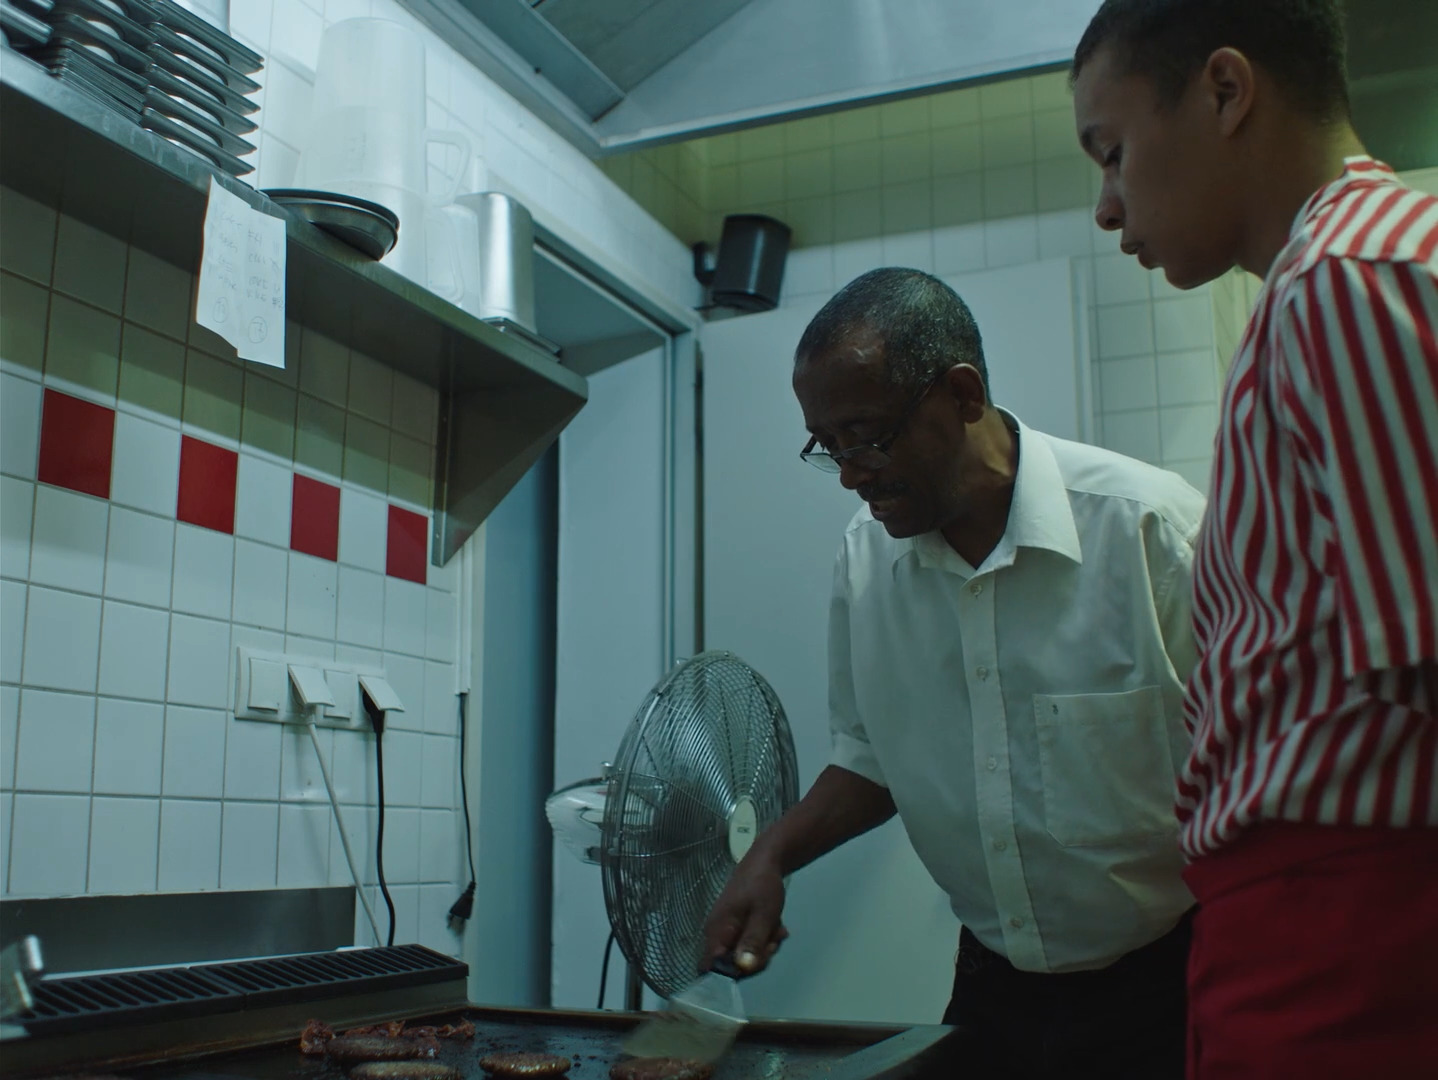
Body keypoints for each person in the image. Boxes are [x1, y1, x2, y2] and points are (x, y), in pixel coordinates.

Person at [701, 268, 1207, 1080]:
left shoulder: (1152, 532)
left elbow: (1263, 773)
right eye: (826, 447)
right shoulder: (865, 563)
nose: (850, 472)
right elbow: (871, 758)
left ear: (962, 395)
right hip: (993, 987)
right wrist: (770, 857)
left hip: (1171, 985)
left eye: (866, 435)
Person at [1070, 2, 1438, 1077]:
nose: (1106, 206)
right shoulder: (1331, 282)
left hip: (1359, 929)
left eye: (1112, 152)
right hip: (1315, 919)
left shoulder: (1344, 280)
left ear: (1225, 91)